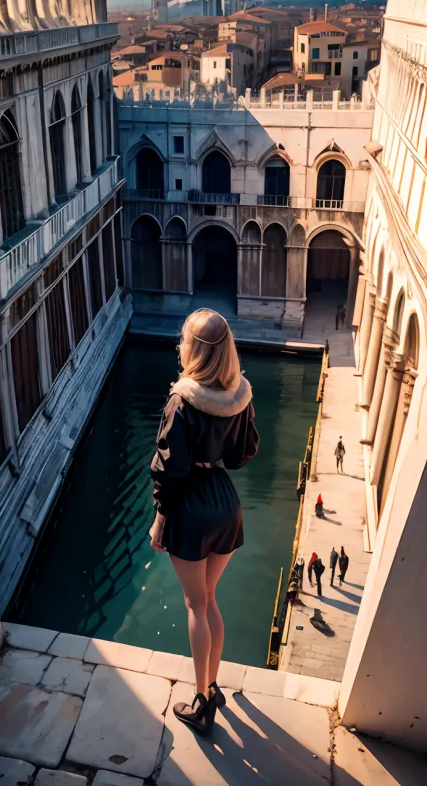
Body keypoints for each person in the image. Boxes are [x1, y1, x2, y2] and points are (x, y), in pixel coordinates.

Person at [149, 308, 259, 735]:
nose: (180, 345)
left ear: (193, 349)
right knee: (210, 599)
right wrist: (213, 453)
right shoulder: (240, 394)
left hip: (192, 509)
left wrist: (161, 519)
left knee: (196, 603)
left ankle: (201, 701)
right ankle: (212, 688)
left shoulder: (183, 398)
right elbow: (243, 454)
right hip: (225, 502)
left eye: (184, 341)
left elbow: (168, 468)